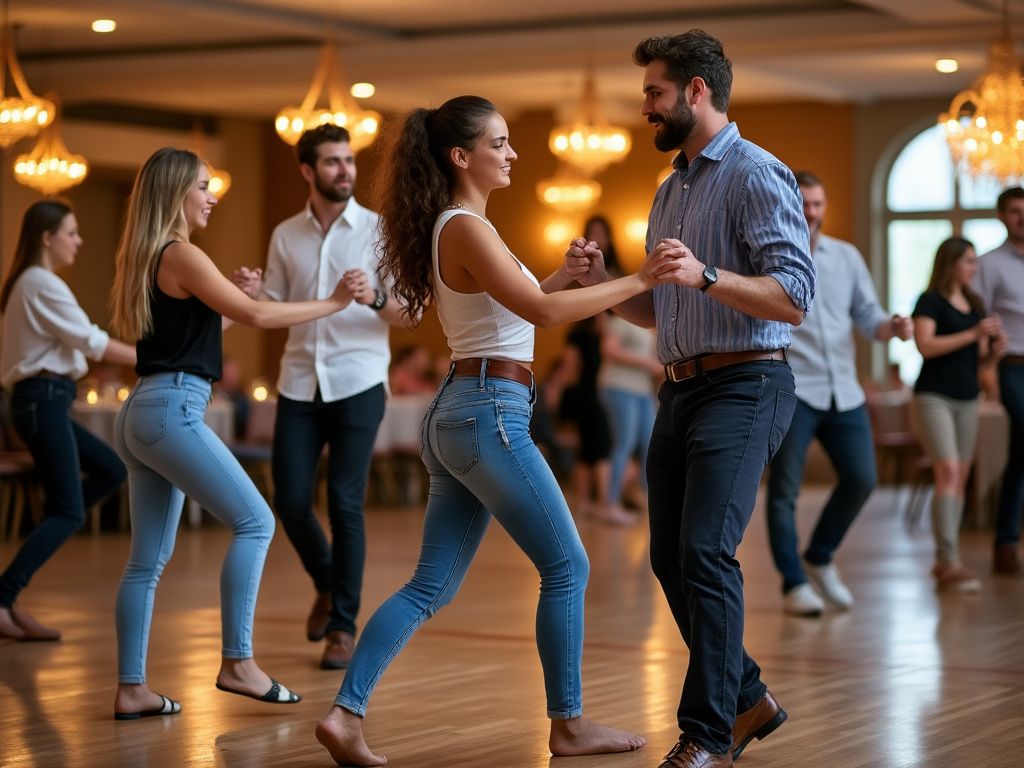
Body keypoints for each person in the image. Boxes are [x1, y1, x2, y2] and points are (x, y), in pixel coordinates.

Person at [313, 94, 686, 767]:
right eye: (501, 143)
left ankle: (346, 715)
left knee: (431, 584)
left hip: (468, 406)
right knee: (567, 564)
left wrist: (568, 275)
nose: (513, 154)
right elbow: (541, 314)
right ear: (463, 156)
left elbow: (516, 311)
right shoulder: (464, 226)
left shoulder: (467, 225)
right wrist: (634, 278)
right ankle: (567, 724)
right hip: (488, 411)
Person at [565, 31, 815, 768]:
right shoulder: (670, 187)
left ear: (696, 92)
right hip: (677, 389)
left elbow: (795, 296)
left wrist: (708, 275)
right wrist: (600, 283)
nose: (645, 107)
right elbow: (658, 310)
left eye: (654, 93)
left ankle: (708, 733)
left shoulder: (756, 173)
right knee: (671, 560)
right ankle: (749, 698)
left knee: (706, 550)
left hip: (747, 383)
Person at [108, 147, 356, 720]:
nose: (212, 195)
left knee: (146, 561)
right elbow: (261, 320)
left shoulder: (149, 255)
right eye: (203, 186)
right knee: (257, 521)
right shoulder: (183, 254)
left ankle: (131, 688)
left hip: (144, 409)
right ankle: (238, 662)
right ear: (176, 193)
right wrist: (334, 302)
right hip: (171, 409)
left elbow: (189, 337)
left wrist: (236, 296)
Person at [233, 124, 409, 671]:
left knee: (345, 502)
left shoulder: (379, 231)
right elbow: (278, 306)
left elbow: (411, 312)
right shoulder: (286, 233)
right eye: (332, 162)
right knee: (288, 500)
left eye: (348, 161)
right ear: (308, 171)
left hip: (358, 380)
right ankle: (328, 584)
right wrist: (255, 293)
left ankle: (342, 627)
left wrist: (374, 295)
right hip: (297, 382)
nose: (345, 171)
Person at [764, 171, 914, 617]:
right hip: (794, 389)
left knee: (862, 478)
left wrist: (892, 327)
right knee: (785, 490)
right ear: (789, 206)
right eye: (804, 203)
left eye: (818, 204)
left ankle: (820, 556)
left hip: (844, 390)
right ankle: (793, 583)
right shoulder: (770, 258)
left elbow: (868, 315)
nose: (812, 212)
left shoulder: (846, 257)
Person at [0, 199, 135, 641]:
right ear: (47, 236)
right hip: (41, 398)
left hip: (45, 400)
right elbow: (92, 342)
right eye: (72, 232)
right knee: (67, 509)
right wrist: (152, 359)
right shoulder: (40, 282)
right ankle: (3, 598)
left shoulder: (32, 281)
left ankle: (9, 594)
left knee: (111, 470)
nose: (79, 240)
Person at [913, 237, 1006, 591]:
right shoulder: (930, 300)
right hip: (934, 396)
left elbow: (979, 362)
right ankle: (948, 559)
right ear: (950, 263)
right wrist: (971, 334)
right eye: (968, 261)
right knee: (948, 470)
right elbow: (925, 345)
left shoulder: (976, 303)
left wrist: (995, 352)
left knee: (961, 474)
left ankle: (947, 560)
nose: (974, 267)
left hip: (969, 396)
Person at [586, 215, 662, 517]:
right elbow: (609, 350)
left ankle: (647, 499)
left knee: (651, 446)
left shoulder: (645, 323)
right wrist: (646, 362)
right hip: (618, 386)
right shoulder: (619, 318)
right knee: (623, 444)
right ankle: (609, 503)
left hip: (642, 390)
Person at [974, 186, 1024, 575]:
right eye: (1013, 211)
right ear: (1002, 217)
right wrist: (987, 367)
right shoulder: (989, 264)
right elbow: (980, 321)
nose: (1021, 217)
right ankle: (1006, 541)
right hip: (1013, 365)